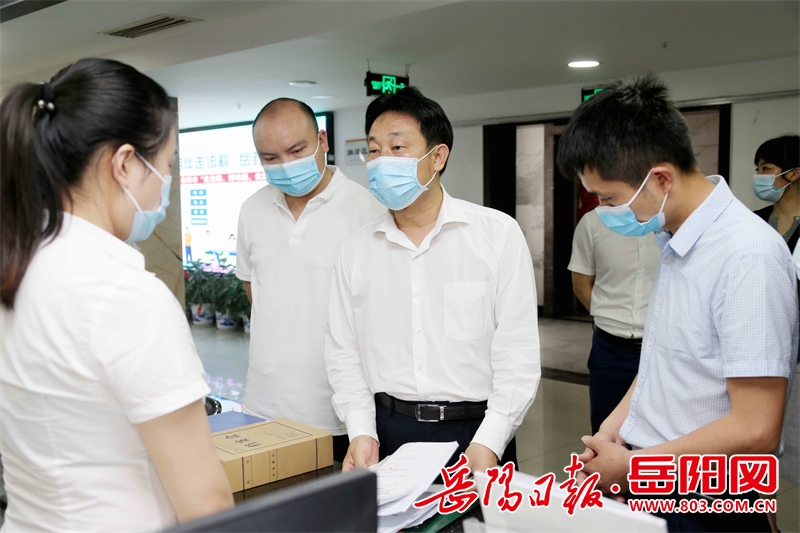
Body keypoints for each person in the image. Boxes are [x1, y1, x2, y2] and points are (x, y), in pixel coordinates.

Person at [557, 74, 798, 532]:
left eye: (610, 199)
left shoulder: (748, 257)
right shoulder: (676, 239)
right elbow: (664, 361)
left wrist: (634, 468)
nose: (604, 212)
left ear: (661, 179)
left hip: (707, 496)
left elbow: (755, 428)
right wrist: (614, 427)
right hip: (656, 475)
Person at [0, 58, 233, 532]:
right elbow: (205, 504)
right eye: (166, 166)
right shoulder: (126, 296)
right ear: (125, 164)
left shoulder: (17, 267)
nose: (165, 184)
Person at [325, 87, 541, 474]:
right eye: (373, 151)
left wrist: (490, 442)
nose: (381, 161)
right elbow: (344, 353)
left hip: (477, 432)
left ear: (437, 156)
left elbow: (518, 356)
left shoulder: (497, 235)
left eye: (397, 147)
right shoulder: (355, 250)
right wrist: (360, 431)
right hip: (388, 431)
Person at [236, 98, 383, 462]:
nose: (285, 165)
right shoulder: (252, 209)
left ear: (322, 141)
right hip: (262, 405)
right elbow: (254, 289)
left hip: (335, 413)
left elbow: (377, 315)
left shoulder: (368, 210)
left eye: (296, 150)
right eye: (270, 158)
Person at [568, 208, 660, 434]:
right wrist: (609, 316)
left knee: (660, 434)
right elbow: (581, 283)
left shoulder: (671, 221)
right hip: (610, 351)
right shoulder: (593, 222)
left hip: (662, 349)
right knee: (605, 431)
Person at [751, 135, 800, 530]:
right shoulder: (752, 223)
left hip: (796, 357)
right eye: (759, 168)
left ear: (794, 174)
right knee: (755, 451)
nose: (759, 177)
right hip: (754, 350)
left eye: (766, 169)